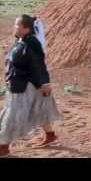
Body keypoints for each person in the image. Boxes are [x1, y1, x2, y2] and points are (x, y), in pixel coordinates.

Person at [0, 15, 62, 157]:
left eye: (17, 25)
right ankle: (50, 135)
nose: (14, 27)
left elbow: (38, 65)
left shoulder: (31, 43)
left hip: (26, 85)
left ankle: (3, 146)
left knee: (12, 114)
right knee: (39, 108)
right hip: (22, 83)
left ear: (26, 28)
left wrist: (43, 84)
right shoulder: (22, 40)